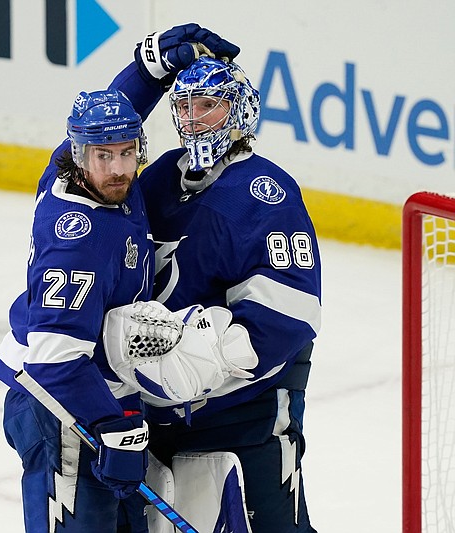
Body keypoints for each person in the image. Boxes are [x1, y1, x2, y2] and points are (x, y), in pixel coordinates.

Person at [0, 25, 240, 532]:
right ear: (79, 157)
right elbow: (55, 359)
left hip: (103, 397)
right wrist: (113, 428)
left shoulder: (87, 173)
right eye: (104, 157)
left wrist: (152, 68)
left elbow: (114, 112)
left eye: (128, 152)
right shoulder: (74, 238)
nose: (119, 168)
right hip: (59, 408)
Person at [111, 57, 321, 532]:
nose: (192, 118)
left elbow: (289, 314)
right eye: (183, 106)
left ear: (240, 110)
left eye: (208, 105)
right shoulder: (164, 176)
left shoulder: (265, 193)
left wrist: (204, 361)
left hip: (246, 412)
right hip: (158, 408)